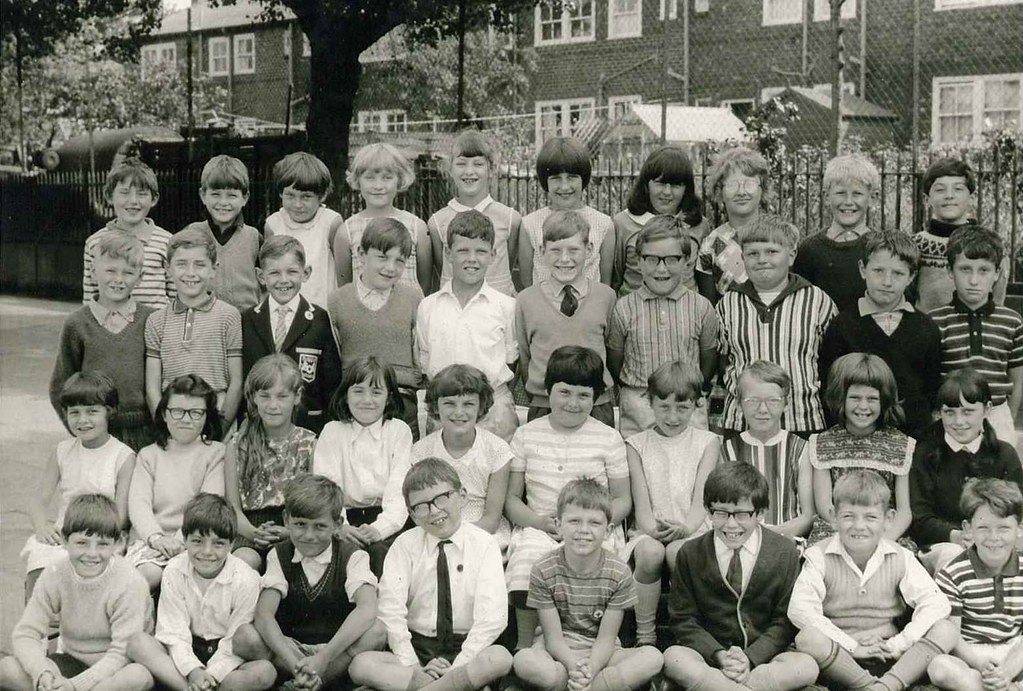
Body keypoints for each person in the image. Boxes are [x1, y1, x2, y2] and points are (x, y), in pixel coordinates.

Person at [504, 346, 631, 650]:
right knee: (525, 563)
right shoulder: (526, 435)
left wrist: (594, 524)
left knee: (598, 564)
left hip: (594, 529)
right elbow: (511, 499)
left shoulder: (608, 438)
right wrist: (539, 522)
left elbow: (623, 498)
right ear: (547, 391)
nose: (573, 403)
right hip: (542, 528)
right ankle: (525, 645)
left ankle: (594, 644)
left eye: (583, 395)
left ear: (597, 397)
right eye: (564, 392)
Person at [349, 458, 513, 691]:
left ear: (463, 496)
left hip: (467, 649)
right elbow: (391, 611)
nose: (434, 511)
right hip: (417, 648)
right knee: (361, 665)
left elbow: (492, 617)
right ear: (412, 515)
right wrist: (413, 665)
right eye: (422, 506)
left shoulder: (484, 543)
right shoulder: (404, 545)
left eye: (442, 498)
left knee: (499, 658)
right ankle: (452, 687)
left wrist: (459, 666)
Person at [790, 470, 958, 691]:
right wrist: (853, 646)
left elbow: (936, 603)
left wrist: (899, 643)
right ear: (833, 516)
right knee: (808, 637)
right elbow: (799, 609)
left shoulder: (900, 556)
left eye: (870, 517)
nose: (859, 526)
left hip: (889, 654)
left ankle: (887, 686)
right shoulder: (819, 556)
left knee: (946, 629)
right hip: (839, 657)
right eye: (849, 516)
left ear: (888, 519)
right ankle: (869, 687)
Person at [662, 463, 818, 691]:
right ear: (708, 511)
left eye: (743, 514)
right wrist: (718, 654)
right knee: (674, 657)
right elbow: (683, 619)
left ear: (761, 514)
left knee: (806, 666)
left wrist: (751, 657)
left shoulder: (784, 552)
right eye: (721, 513)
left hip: (764, 659)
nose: (731, 524)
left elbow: (785, 620)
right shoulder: (690, 552)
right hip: (711, 659)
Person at [232, 474, 383, 689]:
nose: (309, 535)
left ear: (337, 524)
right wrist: (296, 664)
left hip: (335, 652)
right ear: (286, 520)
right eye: (300, 524)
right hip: (290, 651)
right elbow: (264, 615)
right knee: (245, 637)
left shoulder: (353, 555)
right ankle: (306, 680)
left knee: (376, 631)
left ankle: (312, 683)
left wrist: (323, 658)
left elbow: (367, 608)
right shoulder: (280, 554)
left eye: (320, 526)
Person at [512, 479, 663, 691]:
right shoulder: (542, 569)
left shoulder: (618, 572)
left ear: (608, 530)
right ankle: (571, 683)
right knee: (524, 660)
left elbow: (606, 639)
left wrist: (590, 669)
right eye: (574, 521)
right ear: (558, 525)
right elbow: (553, 640)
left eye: (594, 523)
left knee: (653, 657)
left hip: (602, 654)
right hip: (556, 653)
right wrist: (574, 667)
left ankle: (591, 686)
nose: (584, 530)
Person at [0, 495, 153, 691]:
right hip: (72, 660)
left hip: (116, 668)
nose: (91, 553)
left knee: (138, 676)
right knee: (7, 669)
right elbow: (25, 633)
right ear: (64, 540)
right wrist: (42, 672)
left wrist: (74, 686)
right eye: (82, 543)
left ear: (117, 544)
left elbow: (122, 652)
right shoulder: (55, 573)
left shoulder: (130, 581)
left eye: (103, 544)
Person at [126, 494, 276, 691]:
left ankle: (204, 687)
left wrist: (211, 674)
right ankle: (192, 688)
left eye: (218, 543)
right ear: (185, 540)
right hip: (185, 651)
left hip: (227, 656)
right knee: (138, 643)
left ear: (231, 544)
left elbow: (233, 639)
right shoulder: (173, 570)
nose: (207, 552)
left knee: (265, 672)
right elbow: (173, 632)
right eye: (197, 541)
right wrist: (193, 670)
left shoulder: (246, 578)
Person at [624, 361, 720, 645]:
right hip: (648, 530)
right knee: (652, 553)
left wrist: (686, 528)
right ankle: (645, 635)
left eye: (683, 408)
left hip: (692, 527)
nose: (673, 417)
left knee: (681, 553)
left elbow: (702, 498)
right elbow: (641, 505)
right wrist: (652, 530)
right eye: (664, 407)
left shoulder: (707, 442)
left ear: (697, 405)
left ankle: (685, 634)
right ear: (650, 402)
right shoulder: (636, 443)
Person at [716, 214, 837, 437]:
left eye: (771, 252)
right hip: (742, 423)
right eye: (753, 254)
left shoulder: (817, 301)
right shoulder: (729, 303)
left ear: (791, 255)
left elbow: (830, 361)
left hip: (802, 420)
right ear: (743, 258)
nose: (762, 260)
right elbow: (722, 361)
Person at [819, 230, 941, 439]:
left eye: (898, 274)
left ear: (911, 276)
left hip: (911, 437)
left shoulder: (925, 328)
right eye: (878, 271)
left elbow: (931, 391)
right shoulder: (843, 325)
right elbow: (831, 388)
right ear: (862, 269)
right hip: (855, 435)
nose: (887, 281)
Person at [24, 372, 136, 596]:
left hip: (104, 536)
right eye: (74, 413)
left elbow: (121, 515)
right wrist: (41, 526)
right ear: (65, 414)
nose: (82, 420)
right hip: (65, 533)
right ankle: (39, 627)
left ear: (109, 412)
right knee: (39, 560)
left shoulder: (123, 456)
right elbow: (38, 500)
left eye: (92, 411)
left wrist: (91, 538)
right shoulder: (62, 451)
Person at [607, 216, 718, 436]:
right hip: (639, 408)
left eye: (671, 259)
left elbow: (708, 361)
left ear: (686, 260)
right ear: (639, 260)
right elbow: (615, 362)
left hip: (688, 407)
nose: (661, 268)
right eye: (652, 259)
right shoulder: (624, 308)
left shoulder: (702, 307)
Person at [417, 209, 519, 441]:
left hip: (494, 410)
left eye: (481, 251)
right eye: (463, 250)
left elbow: (513, 362)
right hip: (444, 408)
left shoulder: (506, 306)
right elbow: (425, 365)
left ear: (493, 255)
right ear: (448, 253)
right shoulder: (428, 307)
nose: (471, 259)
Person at [910, 369, 1023, 574]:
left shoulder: (1005, 455)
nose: (958, 421)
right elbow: (919, 517)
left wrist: (988, 536)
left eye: (968, 411)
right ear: (939, 413)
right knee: (956, 558)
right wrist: (955, 535)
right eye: (949, 412)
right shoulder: (925, 454)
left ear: (987, 409)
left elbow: (1015, 512)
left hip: (995, 540)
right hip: (943, 545)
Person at [51, 234, 156, 451]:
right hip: (96, 434)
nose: (118, 279)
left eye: (128, 272)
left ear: (140, 277)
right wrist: (81, 429)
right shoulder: (77, 324)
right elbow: (60, 386)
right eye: (110, 271)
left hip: (145, 433)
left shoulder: (152, 320)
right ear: (93, 272)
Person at [515, 210, 618, 426]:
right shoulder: (526, 300)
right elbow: (525, 357)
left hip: (595, 404)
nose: (564, 259)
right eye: (555, 250)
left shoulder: (605, 296)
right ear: (542, 251)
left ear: (589, 250)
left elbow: (611, 348)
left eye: (574, 250)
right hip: (545, 405)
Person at [312, 356, 413, 575]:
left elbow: (399, 489)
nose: (367, 400)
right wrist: (339, 526)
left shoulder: (399, 431)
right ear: (345, 395)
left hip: (388, 518)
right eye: (358, 391)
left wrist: (380, 529)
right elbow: (328, 486)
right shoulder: (332, 431)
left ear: (389, 398)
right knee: (341, 557)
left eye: (376, 392)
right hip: (343, 519)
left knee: (381, 555)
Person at [328, 217, 424, 439]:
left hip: (401, 403)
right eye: (382, 257)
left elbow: (419, 354)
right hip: (354, 403)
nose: (390, 268)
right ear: (361, 254)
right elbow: (336, 355)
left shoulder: (413, 298)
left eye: (399, 261)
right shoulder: (337, 301)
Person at [127, 374, 225, 590]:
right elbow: (138, 504)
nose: (186, 419)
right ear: (164, 414)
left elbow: (207, 506)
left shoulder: (216, 453)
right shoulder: (148, 455)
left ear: (206, 416)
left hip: (196, 539)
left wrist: (179, 542)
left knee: (184, 578)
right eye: (177, 411)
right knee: (146, 575)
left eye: (196, 412)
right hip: (150, 539)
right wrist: (157, 538)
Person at [929, 224, 1023, 446]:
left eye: (983, 270)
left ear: (997, 273)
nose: (974, 280)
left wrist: (1006, 416)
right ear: (950, 271)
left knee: (996, 480)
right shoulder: (934, 321)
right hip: (951, 417)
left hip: (996, 415)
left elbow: (1018, 379)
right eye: (965, 269)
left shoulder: (1012, 321)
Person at [144, 227, 244, 432]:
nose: (190, 273)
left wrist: (221, 428)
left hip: (216, 415)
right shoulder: (155, 320)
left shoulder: (229, 316)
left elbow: (236, 382)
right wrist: (165, 428)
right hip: (174, 416)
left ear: (213, 269)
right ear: (168, 268)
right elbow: (152, 387)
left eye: (199, 265)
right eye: (181, 264)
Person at [809, 353, 915, 546]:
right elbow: (825, 506)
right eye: (855, 398)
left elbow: (904, 512)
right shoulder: (823, 443)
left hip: (883, 533)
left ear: (884, 400)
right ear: (840, 398)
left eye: (872, 398)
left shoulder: (900, 444)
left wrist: (880, 542)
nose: (863, 406)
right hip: (836, 532)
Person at [927, 478, 1023, 691]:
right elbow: (953, 637)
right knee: (939, 668)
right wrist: (981, 666)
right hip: (971, 656)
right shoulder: (952, 574)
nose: (994, 537)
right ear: (968, 529)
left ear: (1019, 529)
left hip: (1015, 654)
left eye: (1004, 528)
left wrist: (1007, 671)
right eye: (983, 527)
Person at [241, 234, 341, 434]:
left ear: (306, 273)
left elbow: (331, 385)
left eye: (292, 272)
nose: (283, 280)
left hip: (308, 428)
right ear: (261, 276)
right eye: (274, 273)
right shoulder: (248, 319)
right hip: (258, 429)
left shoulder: (319, 320)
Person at [225, 355, 317, 571]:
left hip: (295, 528)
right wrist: (253, 533)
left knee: (291, 565)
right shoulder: (238, 444)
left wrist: (291, 531)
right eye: (265, 396)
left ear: (297, 397)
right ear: (253, 397)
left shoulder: (309, 443)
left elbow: (313, 506)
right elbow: (233, 508)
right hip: (248, 528)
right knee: (243, 564)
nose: (273, 405)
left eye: (282, 396)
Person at [412, 365, 512, 549]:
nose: (459, 412)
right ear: (436, 406)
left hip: (483, 530)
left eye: (468, 404)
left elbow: (491, 519)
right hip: (436, 526)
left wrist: (457, 539)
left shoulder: (497, 450)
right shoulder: (422, 451)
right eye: (450, 404)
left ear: (481, 406)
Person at [720, 361, 815, 541]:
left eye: (773, 401)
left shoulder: (801, 449)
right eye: (753, 401)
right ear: (739, 405)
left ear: (786, 404)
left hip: (787, 540)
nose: (762, 409)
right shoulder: (727, 451)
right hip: (739, 539)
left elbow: (807, 516)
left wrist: (772, 535)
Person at [429, 129, 521, 296]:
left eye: (478, 164)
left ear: (491, 169)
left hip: (498, 313)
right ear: (450, 169)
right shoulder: (437, 222)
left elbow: (508, 263)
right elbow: (444, 267)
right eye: (461, 164)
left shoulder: (510, 219)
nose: (469, 171)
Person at [518, 137, 615, 288]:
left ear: (583, 179)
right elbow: (527, 286)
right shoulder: (529, 225)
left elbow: (605, 286)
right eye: (556, 178)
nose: (564, 187)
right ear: (545, 181)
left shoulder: (604, 225)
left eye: (572, 178)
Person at [913, 157, 1007, 312]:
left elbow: (997, 304)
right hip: (927, 333)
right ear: (926, 199)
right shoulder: (915, 246)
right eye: (940, 189)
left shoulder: (990, 245)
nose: (949, 196)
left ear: (971, 196)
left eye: (958, 189)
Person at [338, 142, 432, 295]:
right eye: (370, 178)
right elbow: (345, 288)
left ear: (399, 180)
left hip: (408, 314)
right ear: (358, 180)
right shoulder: (346, 231)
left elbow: (425, 285)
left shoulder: (418, 228)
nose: (378, 186)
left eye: (387, 178)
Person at [612, 145, 707, 296]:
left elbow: (704, 279)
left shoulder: (699, 225)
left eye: (676, 185)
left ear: (686, 189)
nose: (667, 192)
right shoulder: (622, 223)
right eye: (660, 183)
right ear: (646, 184)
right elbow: (615, 277)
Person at [82, 157, 174, 308]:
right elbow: (90, 299)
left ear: (154, 199)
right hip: (111, 329)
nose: (133, 201)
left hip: (155, 329)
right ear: (109, 196)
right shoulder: (94, 243)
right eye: (124, 193)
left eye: (142, 194)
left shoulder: (167, 242)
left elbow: (176, 297)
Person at [793, 154, 879, 313]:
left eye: (857, 194)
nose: (848, 201)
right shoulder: (809, 249)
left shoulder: (880, 247)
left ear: (872, 198)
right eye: (840, 193)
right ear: (826, 196)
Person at [179, 154, 262, 311]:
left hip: (245, 325)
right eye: (216, 194)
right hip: (204, 324)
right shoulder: (191, 234)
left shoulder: (254, 238)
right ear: (203, 195)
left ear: (245, 198)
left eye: (231, 195)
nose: (223, 203)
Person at [264, 151, 346, 308]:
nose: (297, 204)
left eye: (306, 197)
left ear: (321, 196)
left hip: (323, 309)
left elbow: (343, 274)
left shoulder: (331, 223)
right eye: (290, 196)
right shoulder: (273, 224)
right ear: (281, 192)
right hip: (286, 309)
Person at [696, 146, 771, 304]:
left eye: (749, 184)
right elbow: (709, 306)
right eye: (732, 185)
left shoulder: (779, 236)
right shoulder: (710, 245)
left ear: (762, 189)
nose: (741, 192)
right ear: (719, 191)